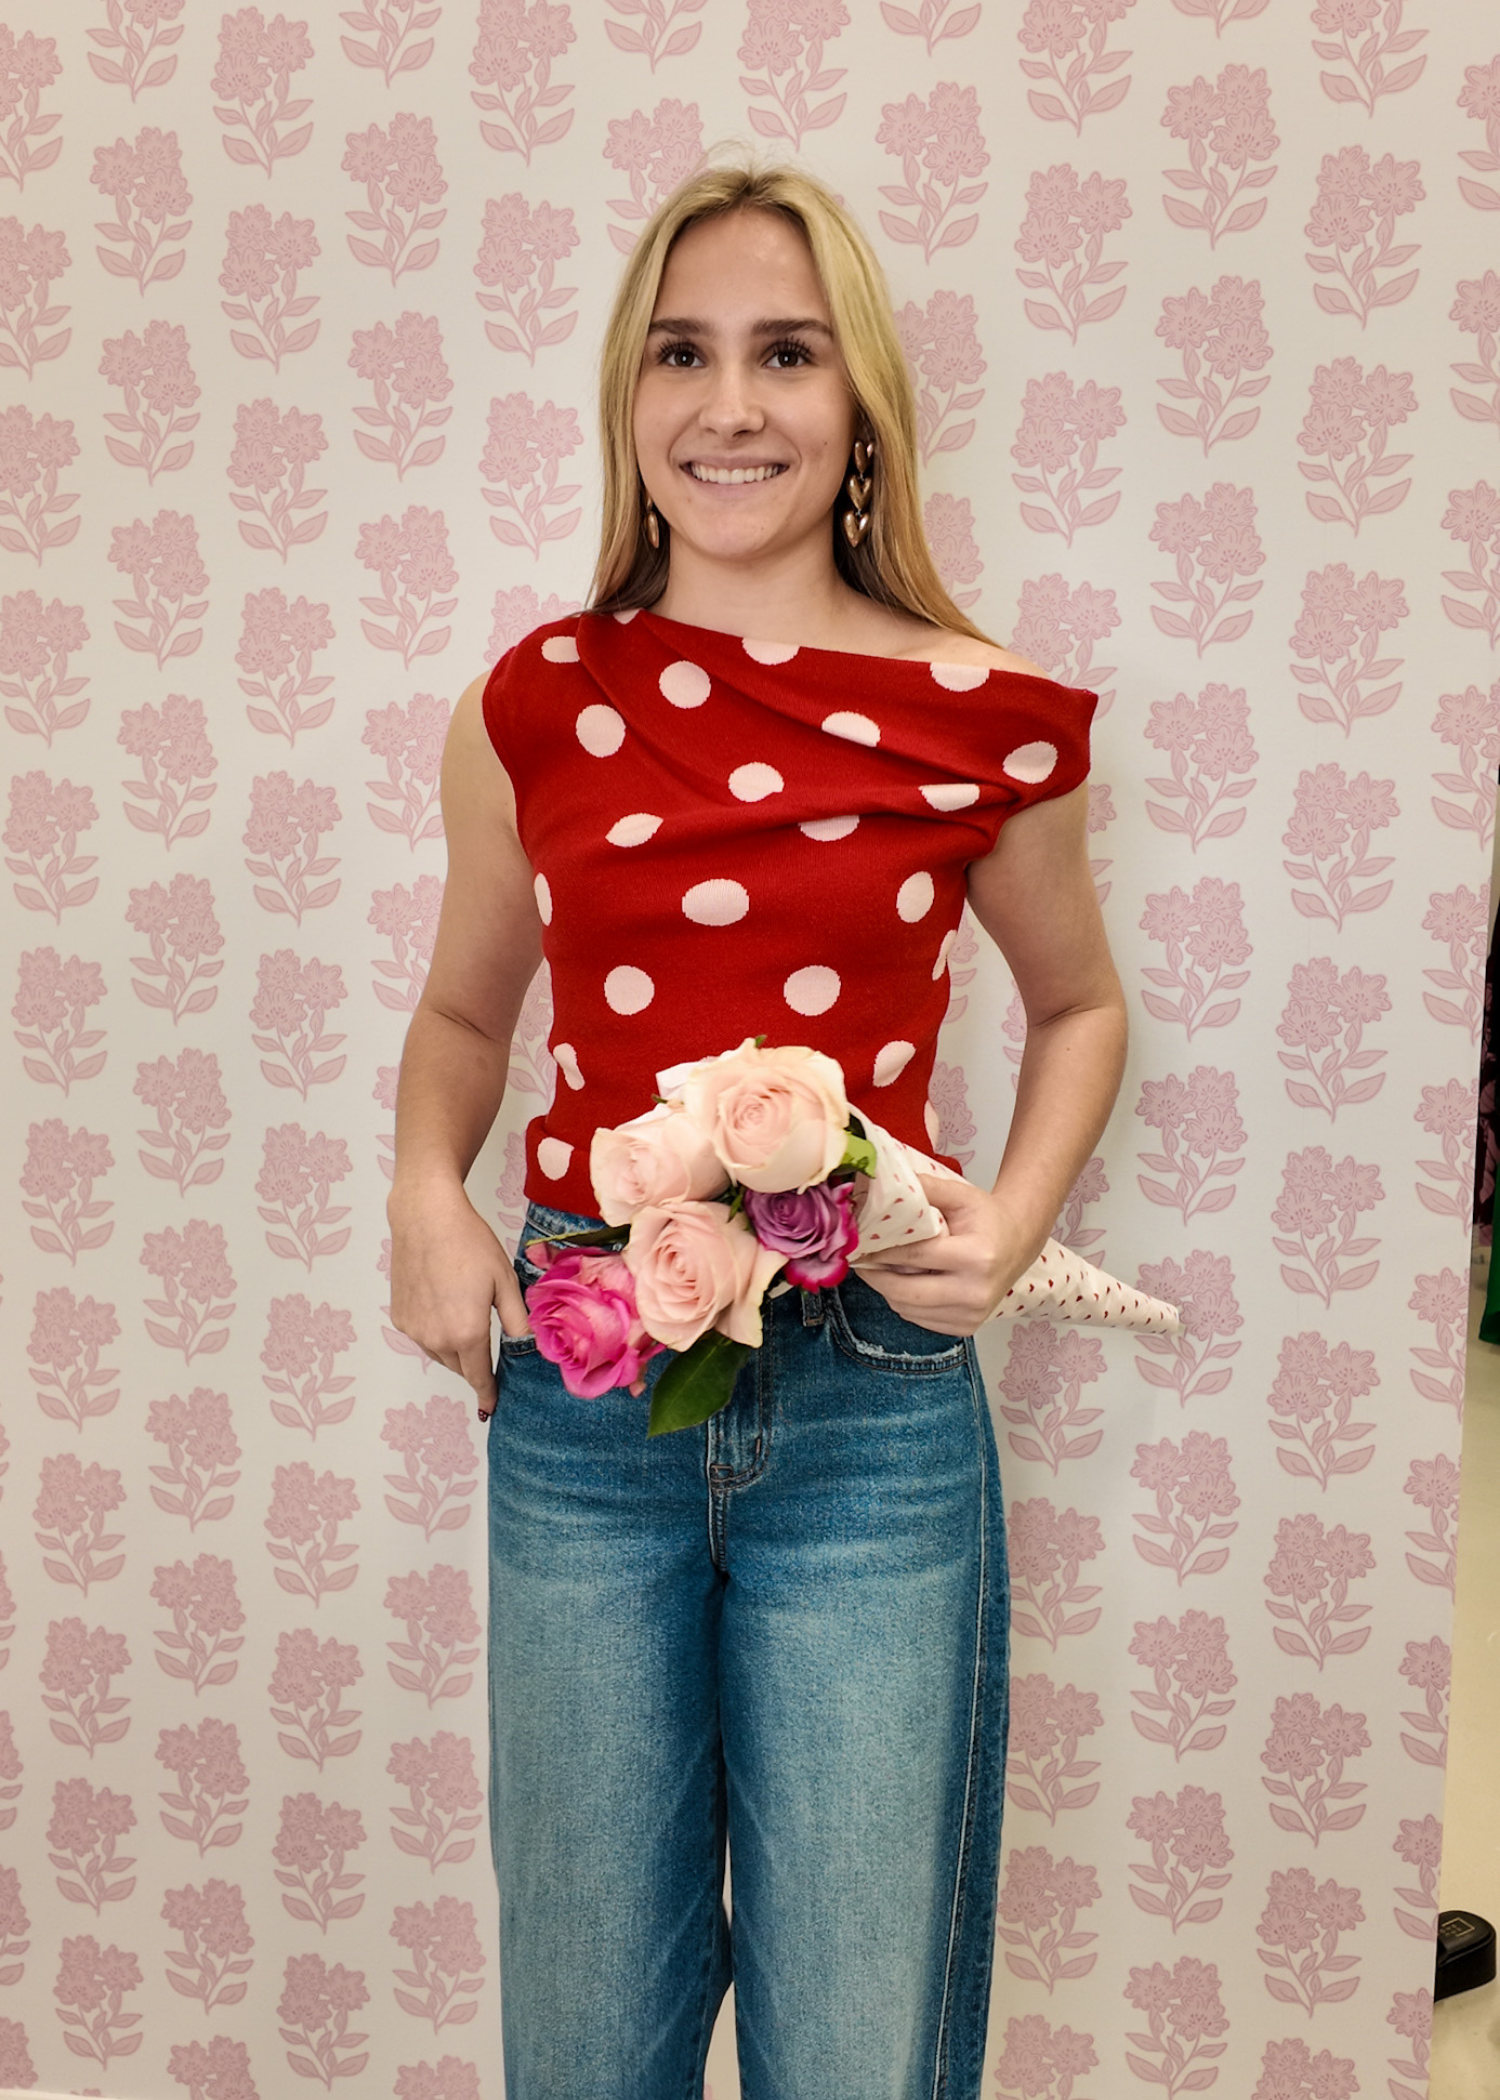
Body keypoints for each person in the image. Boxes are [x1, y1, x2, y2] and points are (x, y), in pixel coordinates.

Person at [387, 157, 1127, 2100]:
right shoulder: (535, 702)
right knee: (587, 2018)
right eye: (684, 353)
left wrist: (1017, 1219)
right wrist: (420, 1193)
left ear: (861, 395)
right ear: (630, 401)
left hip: (878, 1405)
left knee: (858, 2024)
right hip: (585, 1397)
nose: (733, 404)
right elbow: (470, 1011)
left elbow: (1080, 1002)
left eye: (786, 352)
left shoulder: (983, 715)